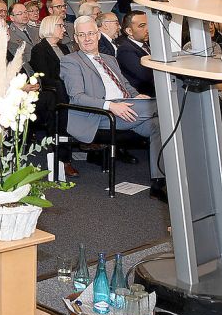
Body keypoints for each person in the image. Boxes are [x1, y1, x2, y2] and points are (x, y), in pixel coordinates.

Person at [59, 16, 166, 200]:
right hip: (99, 115)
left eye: (91, 33)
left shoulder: (109, 59)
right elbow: (77, 98)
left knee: (160, 126)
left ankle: (158, 183)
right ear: (75, 38)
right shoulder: (71, 61)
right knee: (167, 105)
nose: (87, 38)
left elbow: (124, 85)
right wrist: (111, 106)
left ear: (98, 34)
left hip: (127, 110)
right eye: (81, 35)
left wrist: (136, 96)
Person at [29, 15, 77, 178]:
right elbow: (45, 77)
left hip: (67, 88)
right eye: (61, 26)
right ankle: (64, 159)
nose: (64, 29)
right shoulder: (39, 49)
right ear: (50, 27)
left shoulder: (63, 48)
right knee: (62, 105)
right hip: (53, 92)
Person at [116, 11, 155, 97]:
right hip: (146, 97)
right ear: (129, 31)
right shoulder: (125, 50)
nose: (148, 29)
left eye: (148, 24)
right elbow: (146, 76)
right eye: (142, 26)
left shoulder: (147, 44)